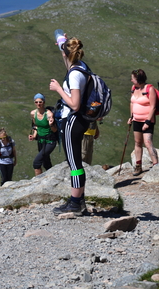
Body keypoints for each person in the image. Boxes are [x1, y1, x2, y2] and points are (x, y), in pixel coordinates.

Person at [49, 36, 90, 216]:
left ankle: (74, 203)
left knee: (74, 164)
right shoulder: (82, 67)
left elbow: (75, 104)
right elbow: (68, 61)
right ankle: (79, 201)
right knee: (76, 163)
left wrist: (58, 89)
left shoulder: (74, 74)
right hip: (80, 121)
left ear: (67, 54)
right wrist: (61, 43)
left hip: (72, 119)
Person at [128, 69, 158, 176]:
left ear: (138, 79)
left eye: (133, 78)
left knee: (148, 142)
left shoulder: (150, 89)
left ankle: (156, 166)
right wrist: (131, 116)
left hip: (147, 120)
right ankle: (138, 166)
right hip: (136, 120)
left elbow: (153, 107)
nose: (131, 80)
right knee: (137, 142)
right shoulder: (134, 88)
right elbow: (132, 103)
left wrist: (148, 122)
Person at [28, 93, 57, 176]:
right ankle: (52, 179)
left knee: (36, 163)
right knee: (46, 162)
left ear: (44, 102)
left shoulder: (49, 114)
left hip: (50, 141)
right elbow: (36, 125)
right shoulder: (33, 113)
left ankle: (38, 183)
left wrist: (51, 124)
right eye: (36, 102)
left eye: (40, 102)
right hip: (40, 141)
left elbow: (55, 130)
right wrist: (33, 136)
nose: (38, 104)